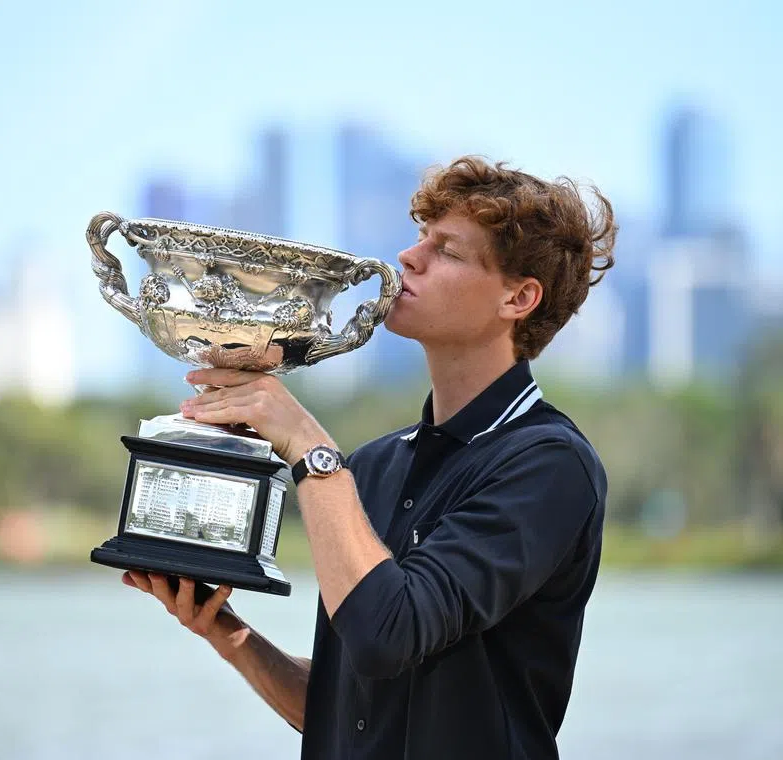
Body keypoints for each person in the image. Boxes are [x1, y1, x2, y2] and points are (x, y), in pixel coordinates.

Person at [122, 155, 617, 760]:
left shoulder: (549, 466)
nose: (410, 258)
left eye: (448, 250)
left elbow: (389, 633)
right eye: (419, 239)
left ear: (519, 297)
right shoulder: (377, 465)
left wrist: (308, 445)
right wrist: (230, 635)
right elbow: (340, 712)